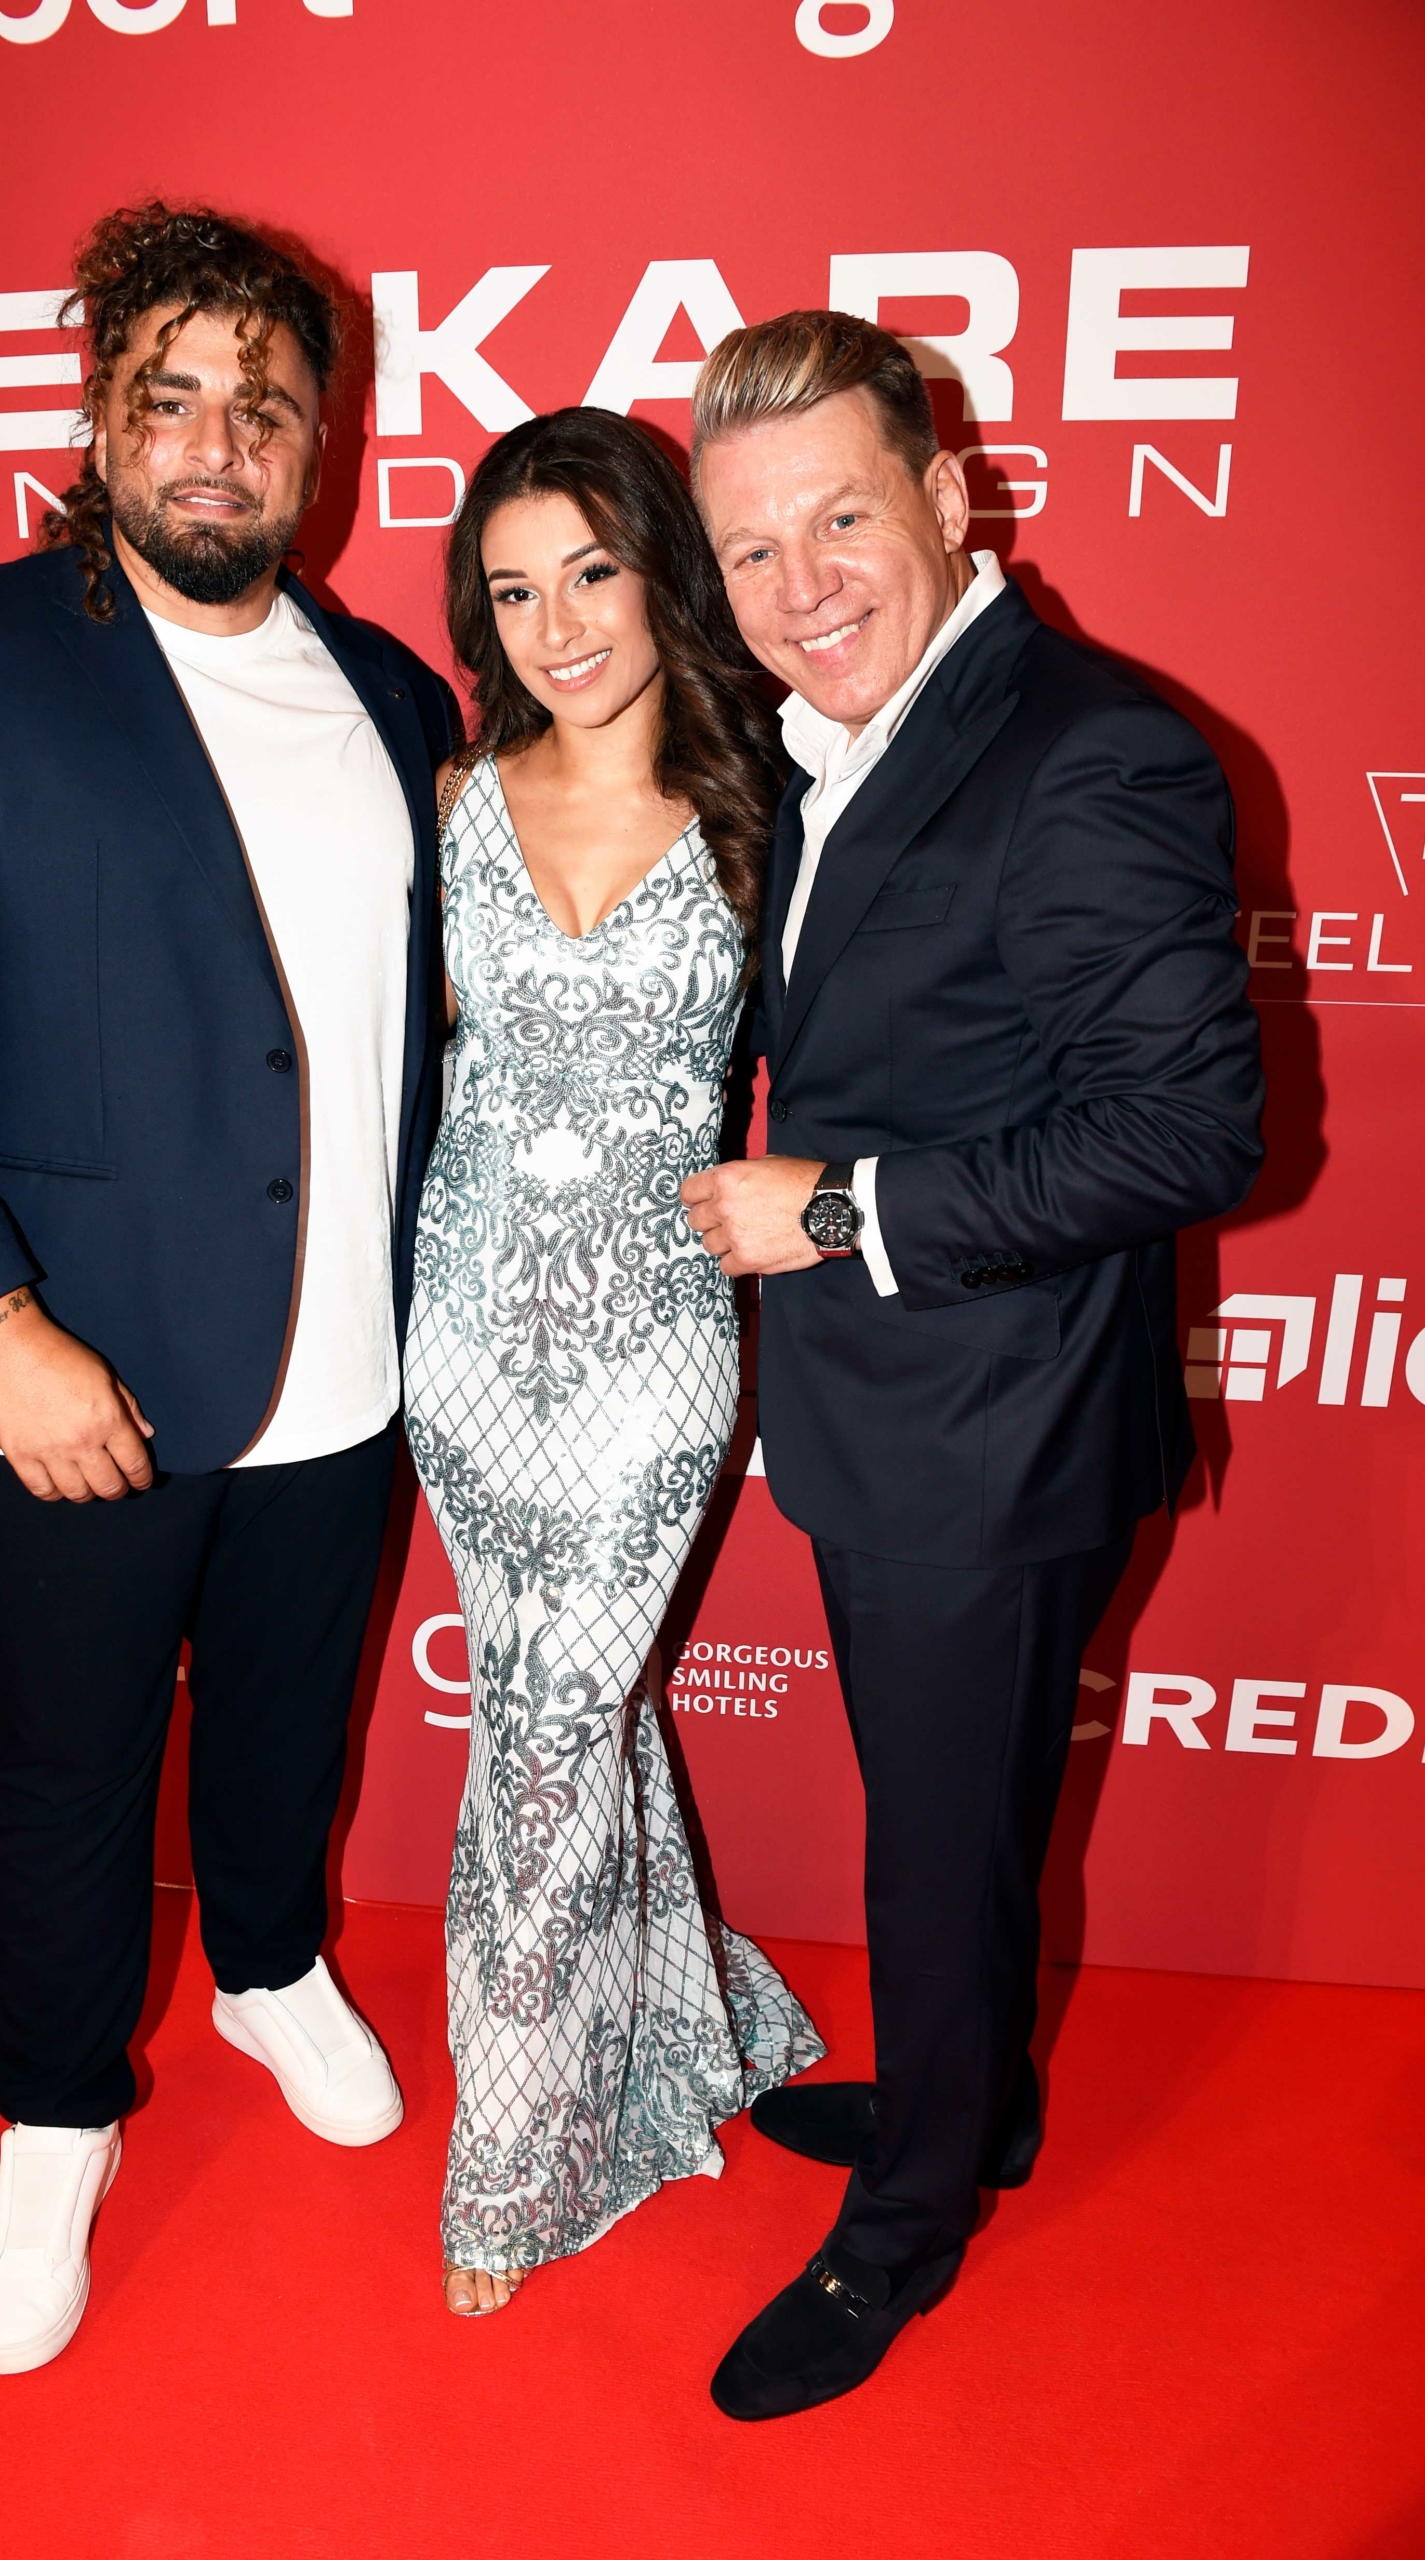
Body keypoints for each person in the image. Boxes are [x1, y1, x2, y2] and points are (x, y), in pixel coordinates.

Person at [0, 202, 459, 2375]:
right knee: (70, 1765)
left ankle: (266, 1968)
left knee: (282, 1716)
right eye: (173, 395)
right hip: (69, 1367)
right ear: (97, 417)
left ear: (323, 447)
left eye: (268, 406)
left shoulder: (395, 692)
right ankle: (57, 2113)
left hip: (348, 1360)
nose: (219, 442)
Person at [680, 313, 1265, 2419]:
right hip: (907, 1417)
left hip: (992, 1437)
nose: (801, 584)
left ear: (945, 498)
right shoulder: (843, 736)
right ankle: (974, 2096)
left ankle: (910, 2219)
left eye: (841, 519)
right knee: (962, 1817)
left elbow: (1191, 1132)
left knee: (936, 1842)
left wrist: (838, 1210)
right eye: (751, 551)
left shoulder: (1087, 749)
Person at [403, 409, 824, 2319]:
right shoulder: (453, 804)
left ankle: (515, 2151)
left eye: (591, 572)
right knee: (544, 1708)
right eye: (513, 592)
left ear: (664, 571)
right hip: (466, 1341)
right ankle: (664, 2017)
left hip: (653, 1349)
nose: (558, 625)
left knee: (553, 1729)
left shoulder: (768, 804)